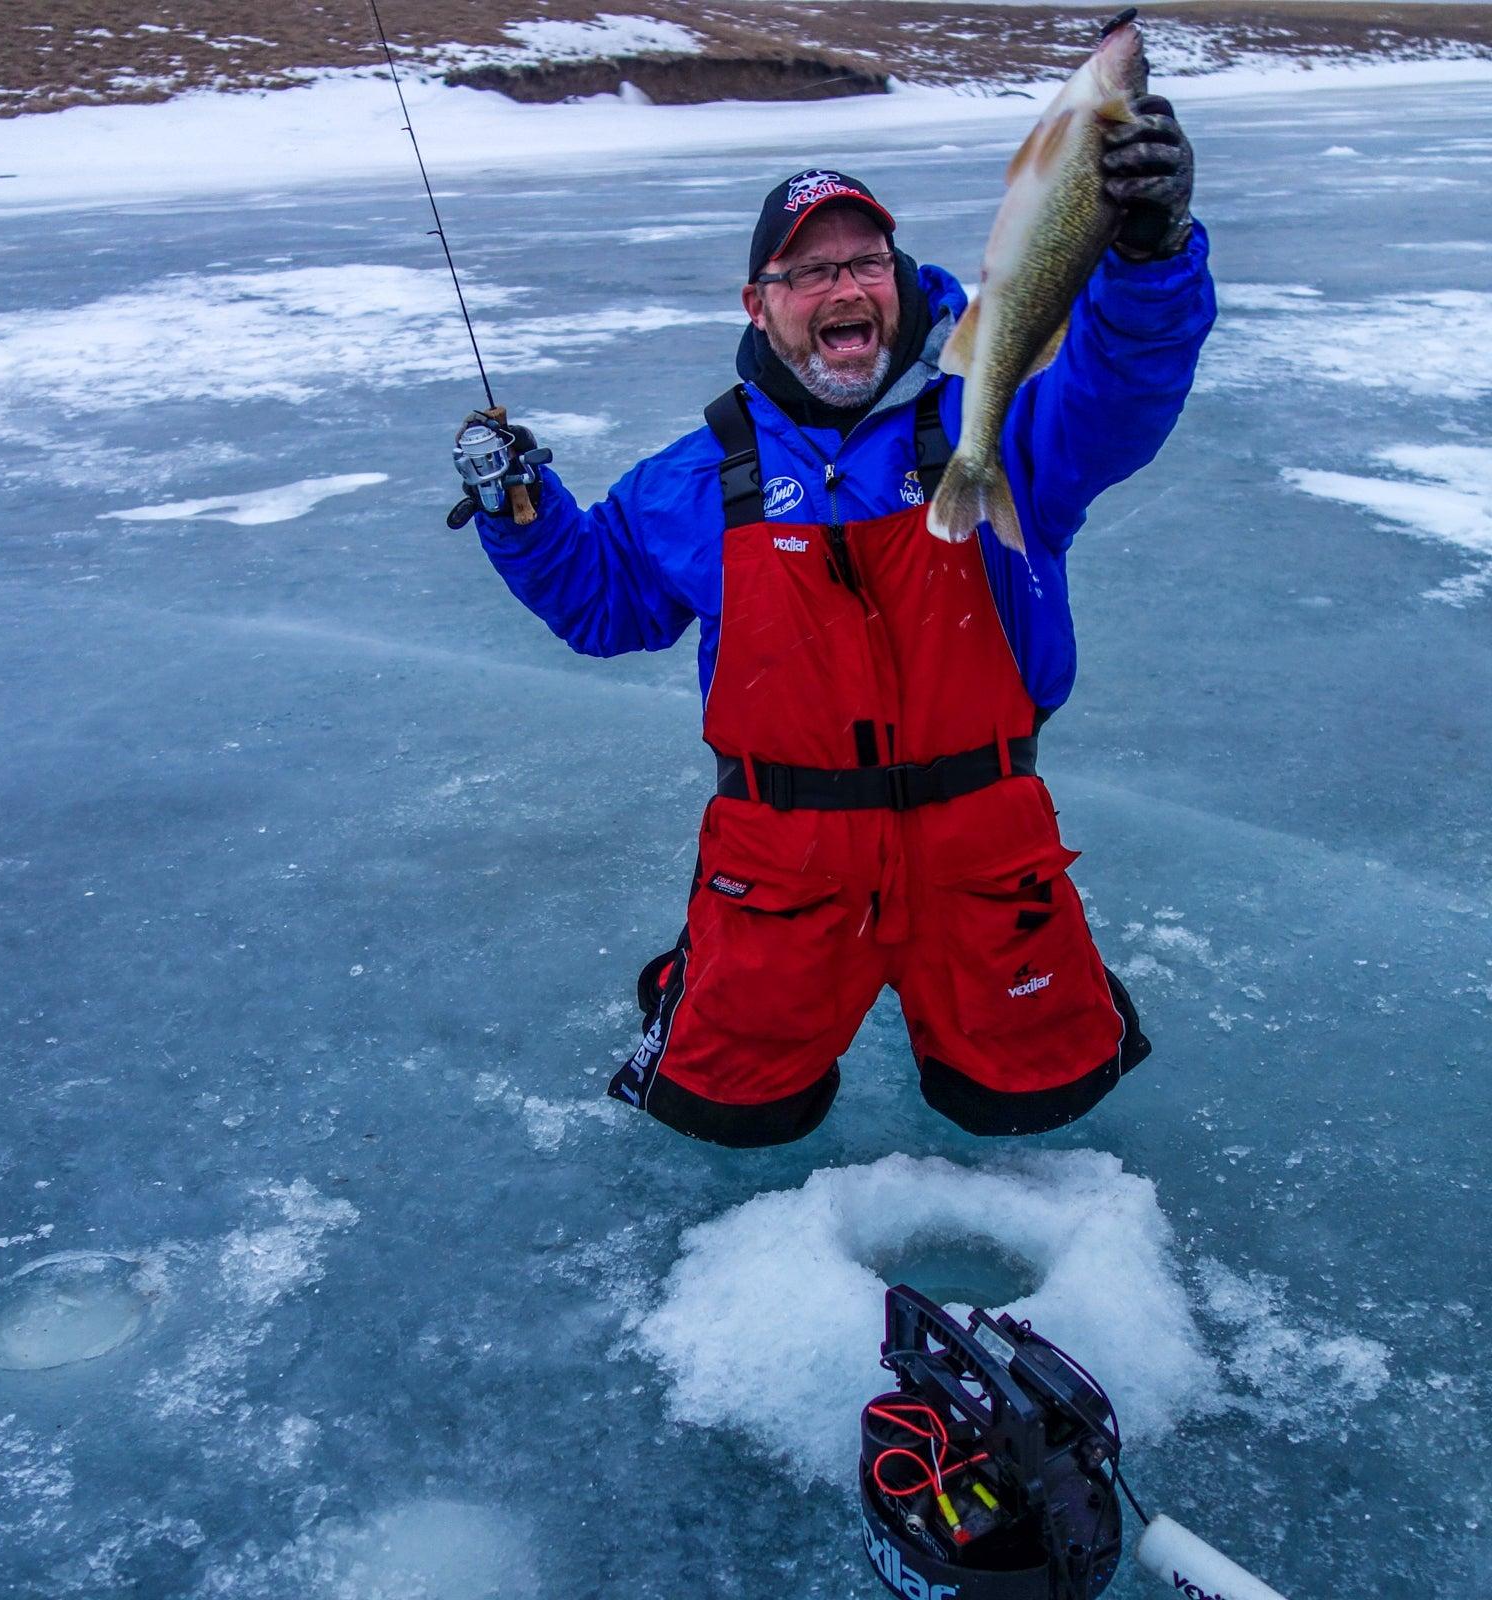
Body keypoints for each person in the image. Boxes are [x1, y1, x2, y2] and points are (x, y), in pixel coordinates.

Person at [456, 100, 1215, 1148]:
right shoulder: (700, 475)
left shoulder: (992, 417)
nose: (844, 288)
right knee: (725, 1123)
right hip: (780, 862)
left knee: (1038, 1111)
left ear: (897, 280)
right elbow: (605, 599)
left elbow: (1123, 385)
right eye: (808, 272)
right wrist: (522, 514)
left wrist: (1151, 250)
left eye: (864, 262)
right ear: (758, 304)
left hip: (981, 843)